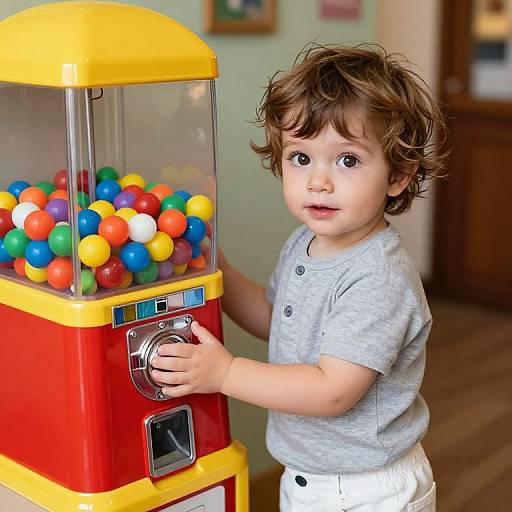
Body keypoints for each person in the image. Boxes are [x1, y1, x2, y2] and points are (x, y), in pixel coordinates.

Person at [151, 44, 447, 511]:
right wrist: (220, 272)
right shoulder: (304, 243)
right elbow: (278, 321)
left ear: (398, 175)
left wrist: (224, 373)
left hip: (367, 488)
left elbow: (332, 391)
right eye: (301, 158)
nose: (318, 182)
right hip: (310, 478)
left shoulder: (377, 278)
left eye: (347, 160)